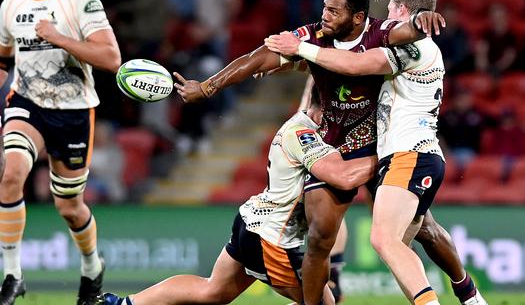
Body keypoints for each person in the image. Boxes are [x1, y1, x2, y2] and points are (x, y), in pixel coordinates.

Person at [265, 0, 488, 305]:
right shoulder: (408, 50)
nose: (381, 21)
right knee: (407, 243)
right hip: (403, 154)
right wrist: (290, 62)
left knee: (385, 239)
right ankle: (470, 297)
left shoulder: (413, 47)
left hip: (408, 154)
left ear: (402, 14)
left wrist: (301, 47)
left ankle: (451, 298)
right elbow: (342, 63)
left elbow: (355, 65)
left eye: (389, 13)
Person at [100, 84, 377, 305]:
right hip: (271, 239)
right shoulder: (303, 133)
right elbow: (343, 176)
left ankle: (125, 304)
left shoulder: (312, 127)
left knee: (213, 292)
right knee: (319, 303)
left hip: (254, 223)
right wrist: (387, 156)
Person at [0, 0, 121, 304]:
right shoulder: (11, 2)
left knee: (68, 205)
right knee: (10, 174)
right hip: (26, 102)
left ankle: (91, 267)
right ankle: (12, 273)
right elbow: (3, 58)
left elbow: (111, 57)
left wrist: (58, 37)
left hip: (73, 112)